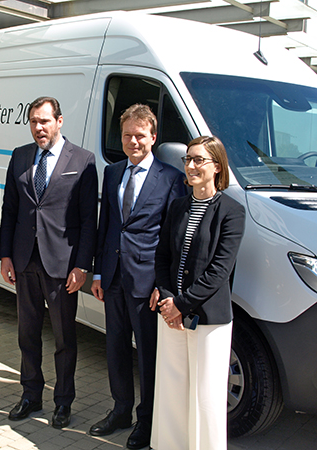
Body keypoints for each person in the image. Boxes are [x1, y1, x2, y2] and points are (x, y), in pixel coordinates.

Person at [88, 104, 187, 449]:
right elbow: (107, 226)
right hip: (113, 278)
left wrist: (165, 287)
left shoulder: (172, 179)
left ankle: (147, 421)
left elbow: (173, 241)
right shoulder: (113, 172)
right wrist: (98, 272)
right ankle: (120, 410)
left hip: (147, 285)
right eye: (127, 135)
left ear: (153, 137)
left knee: (147, 355)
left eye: (140, 136)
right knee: (114, 349)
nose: (133, 141)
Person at [0, 96, 98, 429]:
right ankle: (30, 395)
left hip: (62, 266)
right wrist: (5, 255)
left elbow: (89, 220)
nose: (39, 128)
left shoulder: (83, 160)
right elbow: (10, 210)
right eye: (33, 122)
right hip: (25, 260)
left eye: (44, 121)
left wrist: (82, 265)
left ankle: (63, 402)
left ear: (59, 121)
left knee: (64, 339)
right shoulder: (20, 156)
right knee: (27, 335)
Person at [150, 136, 245, 450]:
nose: (190, 166)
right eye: (187, 159)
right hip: (172, 314)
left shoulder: (232, 211)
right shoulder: (178, 205)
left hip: (209, 319)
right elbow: (163, 255)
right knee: (172, 392)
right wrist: (166, 297)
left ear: (216, 166)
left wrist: (180, 304)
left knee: (206, 398)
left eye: (198, 160)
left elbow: (219, 271)